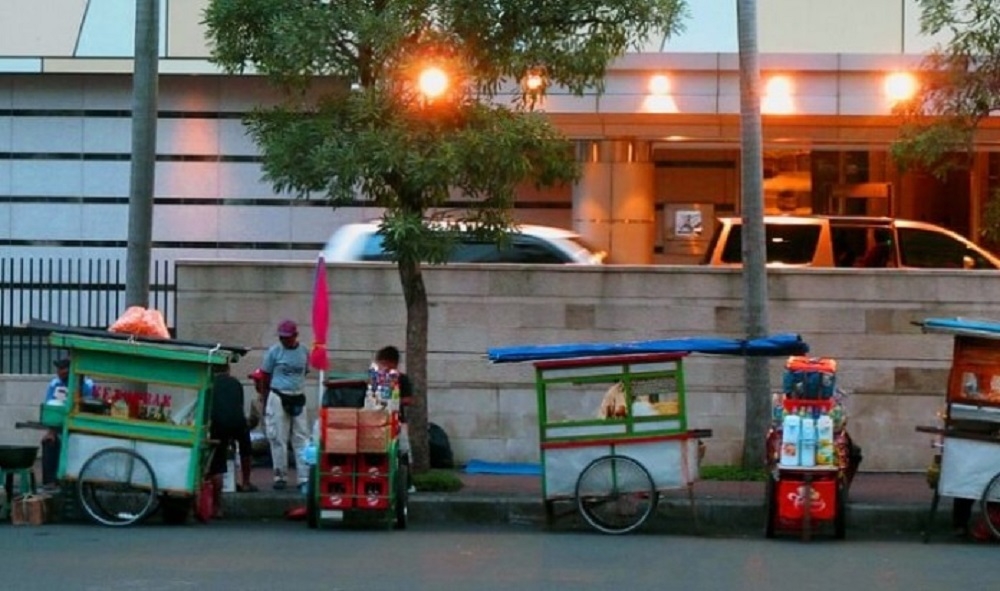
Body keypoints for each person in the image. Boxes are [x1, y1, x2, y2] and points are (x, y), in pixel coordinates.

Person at [260, 319, 310, 491]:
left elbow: (305, 372)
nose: (284, 341)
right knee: (278, 437)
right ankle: (280, 475)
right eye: (282, 338)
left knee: (301, 438)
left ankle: (304, 476)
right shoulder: (274, 352)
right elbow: (265, 376)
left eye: (287, 338)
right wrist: (265, 398)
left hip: (297, 394)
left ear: (295, 336)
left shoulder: (304, 351)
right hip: (278, 394)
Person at [206, 363, 257, 518]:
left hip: (218, 424)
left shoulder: (209, 384)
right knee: (245, 446)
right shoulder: (236, 383)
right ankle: (246, 482)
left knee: (218, 463)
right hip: (237, 421)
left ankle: (217, 507)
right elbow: (239, 406)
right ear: (228, 369)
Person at [41, 358, 94, 488]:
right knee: (49, 443)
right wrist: (51, 430)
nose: (60, 372)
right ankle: (50, 482)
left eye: (63, 369)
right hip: (57, 428)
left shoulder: (86, 384)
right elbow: (50, 407)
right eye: (59, 370)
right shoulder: (55, 384)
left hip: (78, 428)